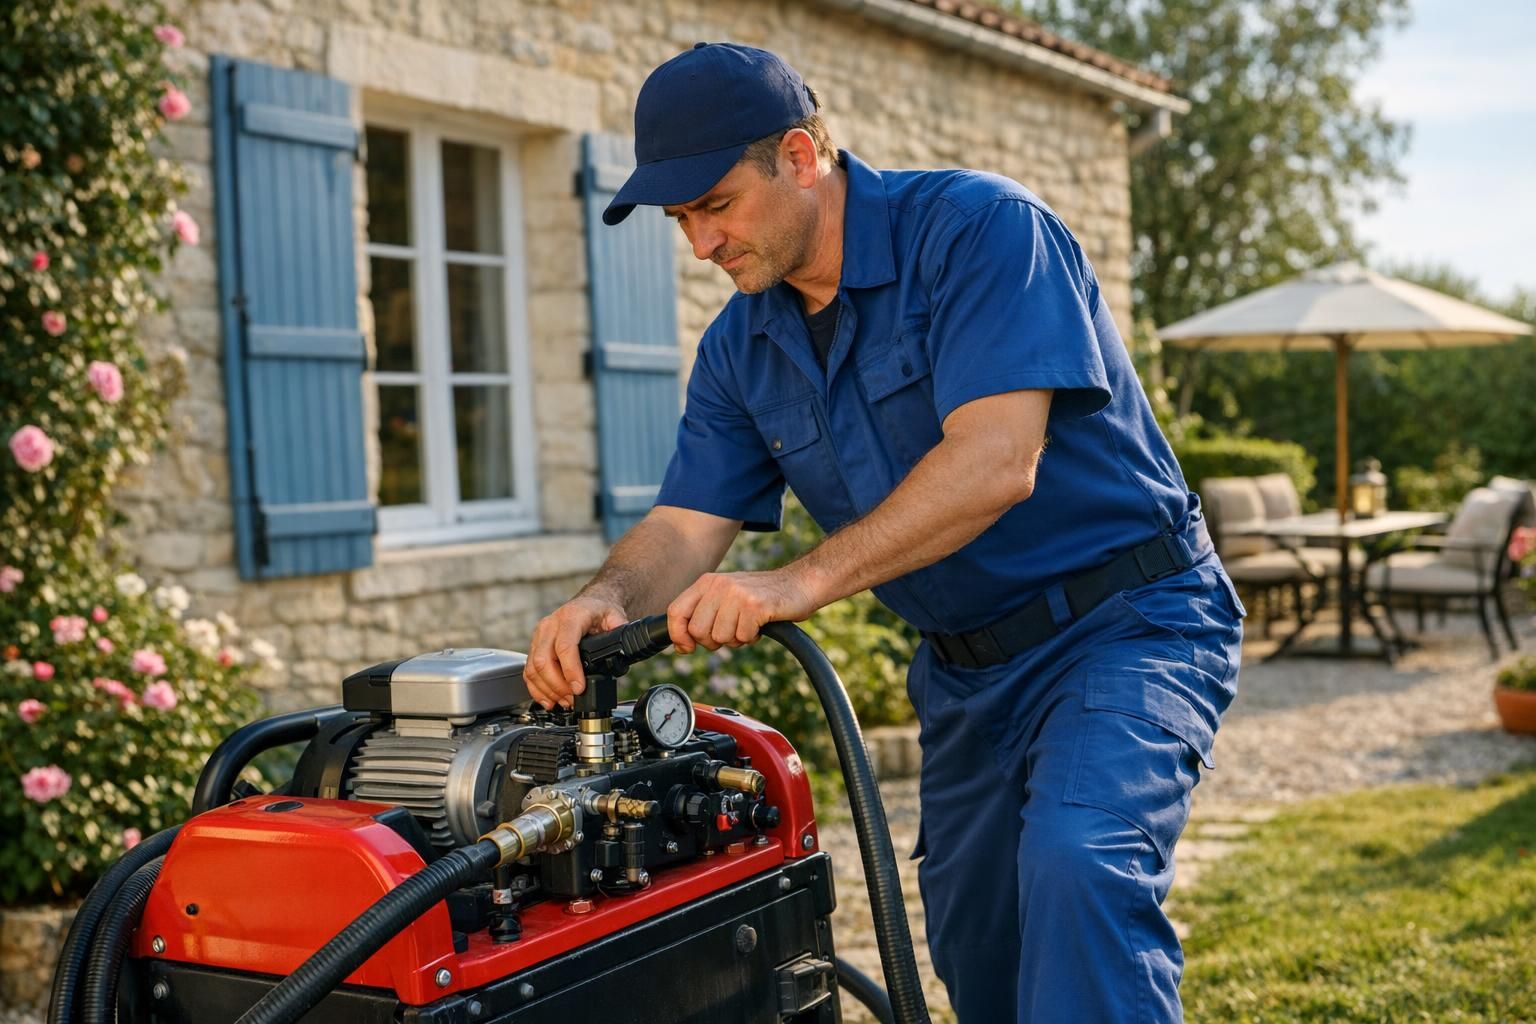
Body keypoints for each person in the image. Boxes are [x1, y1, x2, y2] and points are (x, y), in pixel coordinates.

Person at [523, 42, 1244, 1023]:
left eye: (717, 206)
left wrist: (790, 585)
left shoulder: (983, 232)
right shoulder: (742, 346)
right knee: (977, 944)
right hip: (968, 674)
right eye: (681, 220)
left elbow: (997, 460)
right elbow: (685, 526)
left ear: (800, 156)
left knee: (1081, 871)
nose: (700, 245)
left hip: (1125, 624)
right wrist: (606, 598)